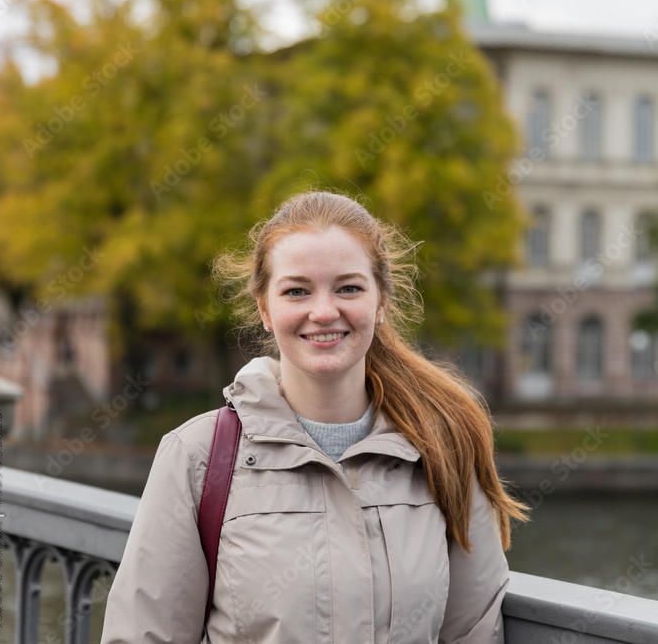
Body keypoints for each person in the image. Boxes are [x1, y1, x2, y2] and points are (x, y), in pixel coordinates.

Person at [100, 191, 528, 643]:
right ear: (265, 309)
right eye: (297, 291)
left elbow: (473, 634)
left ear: (380, 302)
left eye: (348, 288)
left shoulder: (446, 448)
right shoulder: (197, 458)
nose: (323, 312)